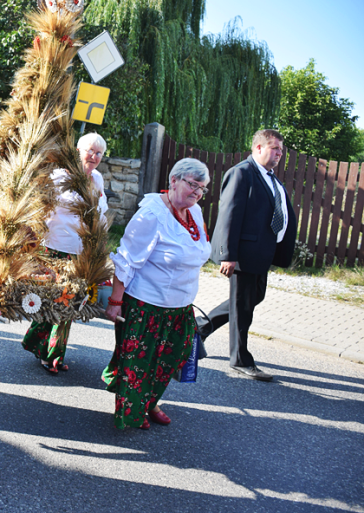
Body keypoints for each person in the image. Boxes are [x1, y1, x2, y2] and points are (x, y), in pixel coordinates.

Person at [102, 158, 211, 430]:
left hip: (181, 305)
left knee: (172, 356)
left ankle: (148, 400)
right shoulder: (151, 214)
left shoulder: (194, 212)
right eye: (192, 185)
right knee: (141, 362)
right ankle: (133, 410)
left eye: (202, 188)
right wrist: (116, 302)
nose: (197, 192)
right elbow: (126, 260)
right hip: (147, 304)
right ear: (173, 181)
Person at [196, 130, 297, 382]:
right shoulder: (242, 173)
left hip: (261, 253)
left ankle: (200, 327)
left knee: (252, 298)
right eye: (275, 149)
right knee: (243, 307)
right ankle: (240, 359)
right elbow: (230, 215)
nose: (279, 154)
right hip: (243, 254)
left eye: (281, 151)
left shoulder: (271, 178)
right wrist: (227, 255)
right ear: (259, 147)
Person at [21, 132, 109, 373]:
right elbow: (40, 207)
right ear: (78, 151)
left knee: (70, 304)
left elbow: (101, 215)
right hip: (56, 248)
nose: (94, 156)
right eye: (90, 150)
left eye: (99, 153)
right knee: (55, 300)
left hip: (82, 253)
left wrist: (100, 249)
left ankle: (52, 354)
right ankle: (41, 346)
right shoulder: (60, 177)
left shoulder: (98, 180)